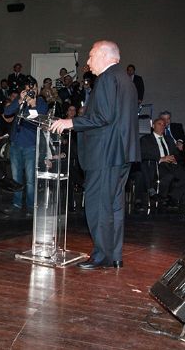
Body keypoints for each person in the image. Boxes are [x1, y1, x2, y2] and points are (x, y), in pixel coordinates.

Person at [50, 40, 140, 270]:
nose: (88, 62)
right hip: (120, 154)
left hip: (105, 154)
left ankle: (102, 256)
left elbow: (104, 117)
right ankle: (115, 254)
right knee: (115, 206)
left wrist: (70, 122)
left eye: (90, 56)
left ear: (104, 55)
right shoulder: (125, 81)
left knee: (98, 206)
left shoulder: (108, 78)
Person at [4, 77, 49, 211]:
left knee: (30, 179)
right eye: (29, 89)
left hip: (30, 145)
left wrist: (33, 104)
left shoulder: (41, 102)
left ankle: (30, 206)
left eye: (34, 88)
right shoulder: (20, 100)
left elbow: (38, 120)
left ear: (38, 89)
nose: (31, 91)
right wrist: (19, 100)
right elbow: (7, 112)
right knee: (16, 177)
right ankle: (16, 204)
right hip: (16, 143)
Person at [140, 118, 185, 210]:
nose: (162, 126)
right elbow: (143, 154)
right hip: (157, 164)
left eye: (163, 125)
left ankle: (171, 197)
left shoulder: (168, 139)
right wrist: (161, 158)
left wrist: (174, 158)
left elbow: (177, 153)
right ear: (153, 126)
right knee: (168, 176)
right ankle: (165, 198)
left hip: (171, 164)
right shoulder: (146, 139)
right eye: (159, 124)